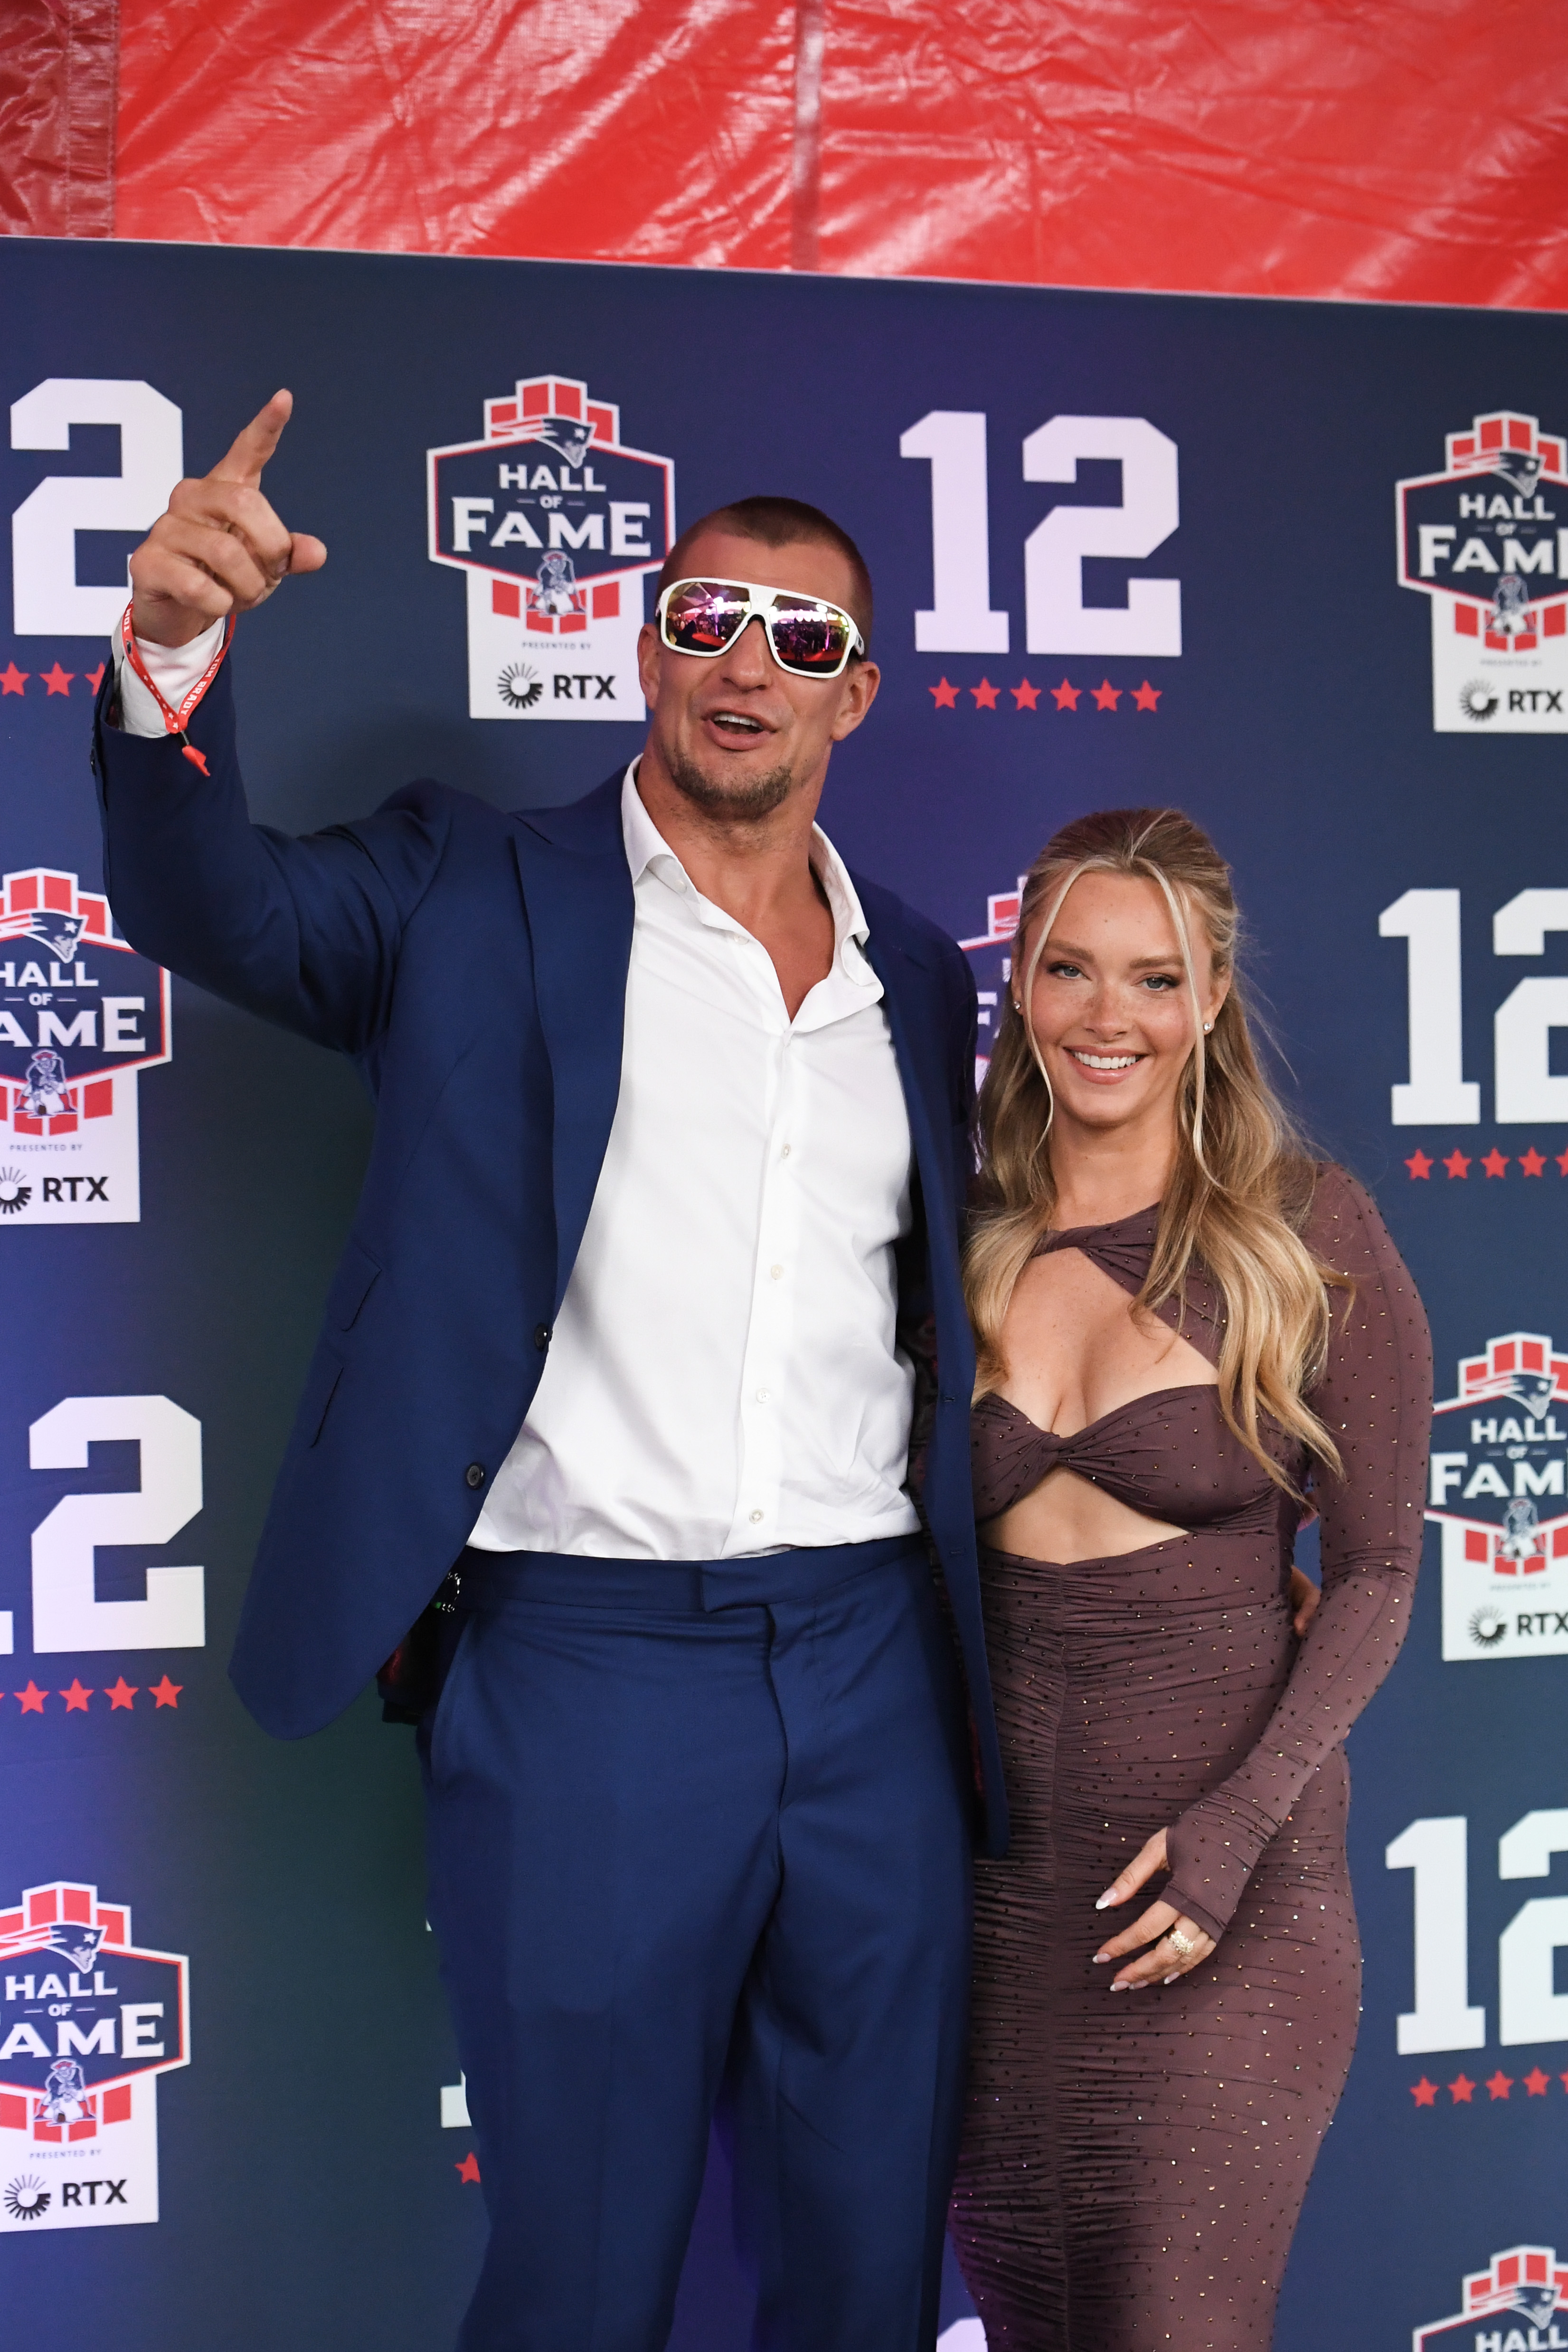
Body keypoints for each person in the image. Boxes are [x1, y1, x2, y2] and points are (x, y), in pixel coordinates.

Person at [93, 394, 1007, 2352]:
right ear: (642, 642)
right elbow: (210, 904)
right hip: (583, 1674)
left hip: (871, 1677)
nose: (746, 660)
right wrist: (174, 648)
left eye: (802, 635)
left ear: (859, 695)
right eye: (706, 616)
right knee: (584, 2274)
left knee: (863, 2264)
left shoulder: (918, 982)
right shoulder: (463, 888)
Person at [944, 807, 1431, 2351]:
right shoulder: (952, 1240)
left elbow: (1374, 1571)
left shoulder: (1306, 1230)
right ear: (1019, 983)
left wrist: (1229, 1835)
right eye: (1072, 969)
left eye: (1156, 980)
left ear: (1212, 998)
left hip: (1224, 1901)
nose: (1110, 1017)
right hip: (995, 1917)